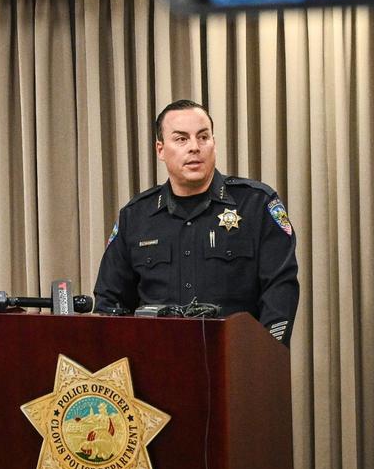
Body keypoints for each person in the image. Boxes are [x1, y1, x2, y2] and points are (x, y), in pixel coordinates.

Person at [94, 100, 300, 345]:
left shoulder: (257, 204)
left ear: (214, 143)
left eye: (203, 137)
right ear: (160, 149)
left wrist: (264, 354)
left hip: (236, 363)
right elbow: (110, 300)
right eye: (181, 139)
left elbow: (280, 291)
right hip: (156, 364)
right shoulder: (136, 216)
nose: (195, 147)